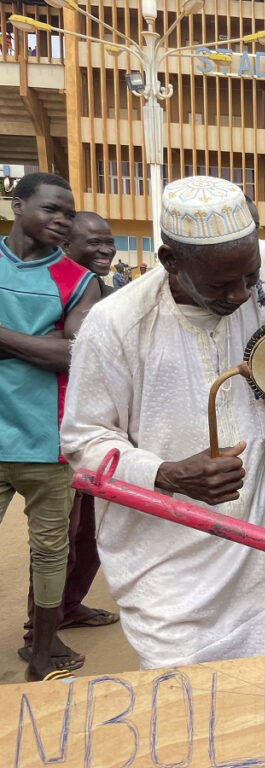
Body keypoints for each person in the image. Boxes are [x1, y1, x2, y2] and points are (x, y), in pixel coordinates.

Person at [61, 176, 265, 676]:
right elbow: (84, 441)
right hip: (167, 568)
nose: (242, 294)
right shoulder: (115, 324)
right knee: (184, 711)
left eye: (248, 277)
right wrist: (167, 475)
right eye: (221, 284)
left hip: (264, 549)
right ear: (170, 261)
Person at [0, 172, 101, 681]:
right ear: (16, 205)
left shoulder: (79, 280)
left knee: (50, 554)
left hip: (47, 442)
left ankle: (41, 654)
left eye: (68, 213)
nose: (62, 221)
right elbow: (54, 348)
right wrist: (35, 344)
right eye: (51, 210)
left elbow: (73, 353)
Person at [19, 212, 120, 659]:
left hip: (107, 435)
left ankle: (70, 606)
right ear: (65, 247)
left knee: (90, 536)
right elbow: (71, 355)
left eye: (109, 242)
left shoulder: (109, 292)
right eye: (92, 242)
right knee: (60, 539)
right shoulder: (61, 289)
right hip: (57, 435)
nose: (104, 250)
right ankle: (38, 632)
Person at [63, 212, 116, 298]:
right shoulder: (49, 294)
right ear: (67, 246)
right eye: (94, 242)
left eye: (110, 243)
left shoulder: (114, 298)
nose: (107, 251)